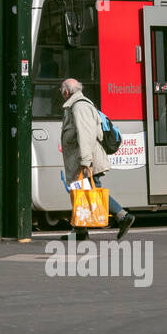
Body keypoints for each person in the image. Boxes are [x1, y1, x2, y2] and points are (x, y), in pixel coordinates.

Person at [59, 78, 134, 240]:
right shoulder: (75, 106)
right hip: (82, 159)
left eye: (61, 90)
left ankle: (123, 216)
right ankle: (80, 231)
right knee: (80, 192)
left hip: (87, 160)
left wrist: (85, 161)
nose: (61, 93)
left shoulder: (80, 107)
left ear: (66, 91)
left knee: (91, 192)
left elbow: (86, 135)